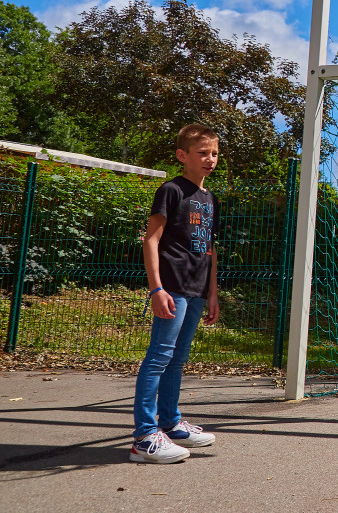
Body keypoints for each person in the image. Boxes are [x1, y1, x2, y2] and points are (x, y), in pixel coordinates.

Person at [130, 124, 222, 463]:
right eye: (202, 153)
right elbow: (151, 240)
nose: (210, 159)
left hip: (197, 291)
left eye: (214, 153)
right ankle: (143, 436)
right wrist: (156, 288)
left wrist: (212, 293)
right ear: (183, 156)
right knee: (159, 358)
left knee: (177, 359)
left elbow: (210, 249)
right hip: (172, 288)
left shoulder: (211, 199)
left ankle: (169, 424)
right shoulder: (170, 190)